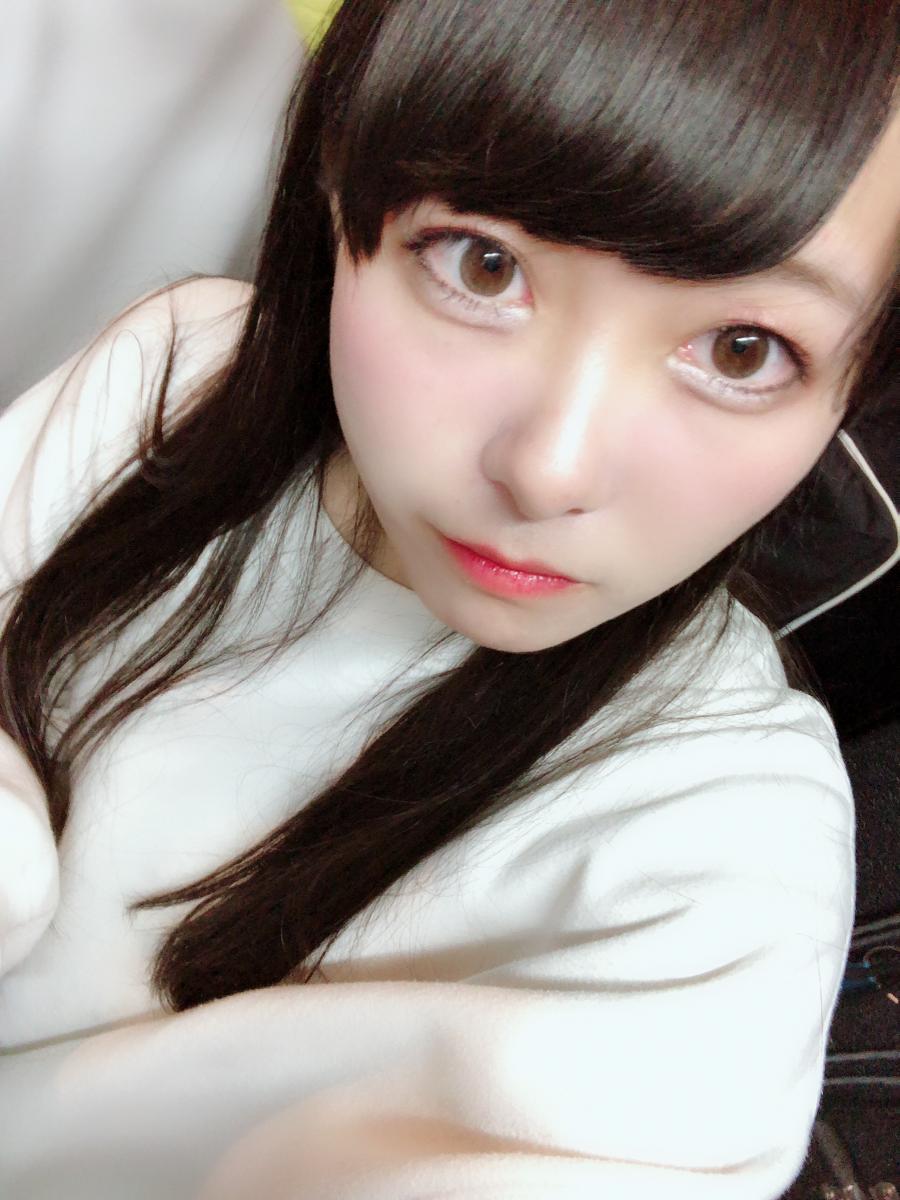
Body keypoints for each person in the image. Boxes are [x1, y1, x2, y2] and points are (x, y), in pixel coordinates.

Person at [0, 2, 897, 1197]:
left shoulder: (715, 847)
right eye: (484, 265)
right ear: (338, 191)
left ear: (854, 385)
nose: (549, 468)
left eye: (742, 350)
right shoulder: (166, 383)